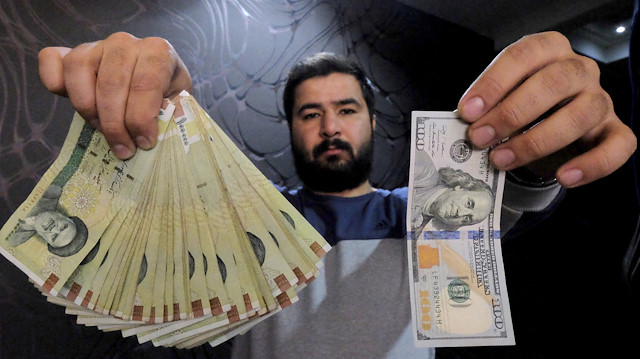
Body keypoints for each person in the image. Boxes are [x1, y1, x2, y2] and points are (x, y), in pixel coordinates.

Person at [36, 30, 637, 358]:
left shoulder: (421, 210)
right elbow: (161, 208)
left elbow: (507, 200)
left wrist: (538, 159)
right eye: (310, 113)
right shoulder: (252, 213)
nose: (329, 127)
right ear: (291, 126)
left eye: (346, 109)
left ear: (372, 123)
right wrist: (161, 125)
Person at [6, 184, 89, 257]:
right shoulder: (54, 189)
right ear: (67, 218)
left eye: (54, 237)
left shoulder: (13, 239)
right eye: (63, 227)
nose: (53, 229)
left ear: (46, 240)